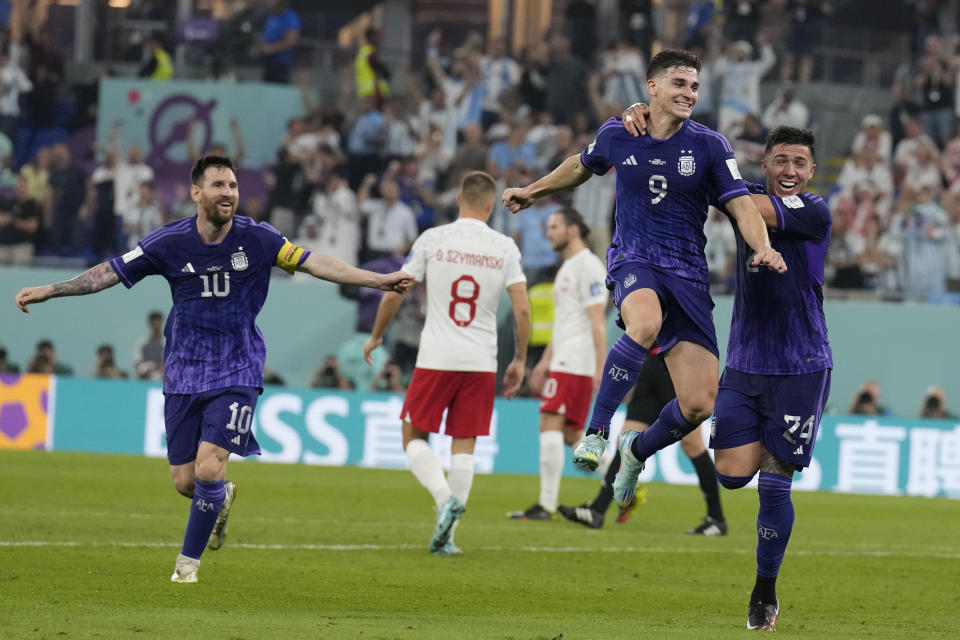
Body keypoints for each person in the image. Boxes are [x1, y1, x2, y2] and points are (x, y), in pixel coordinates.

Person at [14, 155, 412, 583]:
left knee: (208, 467)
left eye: (234, 186)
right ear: (196, 193)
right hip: (183, 371)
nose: (229, 193)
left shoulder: (259, 239)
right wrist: (51, 290)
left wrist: (377, 279)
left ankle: (187, 567)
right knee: (186, 481)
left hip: (238, 368)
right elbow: (108, 273)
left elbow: (316, 262)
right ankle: (220, 499)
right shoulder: (167, 242)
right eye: (219, 185)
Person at [502, 49, 785, 517]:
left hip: (688, 274)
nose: (689, 93)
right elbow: (580, 164)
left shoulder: (711, 146)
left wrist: (762, 247)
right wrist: (532, 192)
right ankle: (597, 431)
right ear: (651, 88)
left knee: (698, 404)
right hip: (635, 259)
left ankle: (635, 452)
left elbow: (740, 206)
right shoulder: (618, 132)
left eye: (694, 86)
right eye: (678, 83)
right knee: (645, 322)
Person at [624, 108, 832, 630]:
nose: (789, 168)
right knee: (732, 474)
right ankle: (636, 450)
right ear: (764, 163)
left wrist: (706, 175)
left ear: (811, 171)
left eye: (799, 162)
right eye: (780, 159)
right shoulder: (746, 202)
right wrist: (657, 135)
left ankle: (764, 591)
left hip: (802, 364)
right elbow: (734, 203)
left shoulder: (813, 210)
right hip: (744, 360)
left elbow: (743, 203)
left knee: (774, 481)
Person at [364, 170, 530, 555]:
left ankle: (443, 500)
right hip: (481, 361)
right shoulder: (505, 247)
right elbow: (521, 308)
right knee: (464, 446)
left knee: (412, 436)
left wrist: (376, 335)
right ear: (491, 205)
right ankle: (449, 539)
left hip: (436, 356)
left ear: (459, 200)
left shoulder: (433, 239)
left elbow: (395, 292)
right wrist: (519, 358)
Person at [559, 351, 726, 535]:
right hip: (650, 369)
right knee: (625, 440)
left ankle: (716, 518)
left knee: (692, 445)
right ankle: (597, 510)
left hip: (676, 367)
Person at [509, 207, 607, 520]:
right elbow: (564, 323)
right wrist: (545, 361)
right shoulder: (567, 267)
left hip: (576, 361)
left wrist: (600, 367)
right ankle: (624, 479)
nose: (548, 232)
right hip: (564, 358)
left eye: (554, 226)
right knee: (569, 435)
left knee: (548, 423)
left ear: (573, 229)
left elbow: (597, 322)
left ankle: (546, 505)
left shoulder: (589, 266)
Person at [260, 0, 300, 84]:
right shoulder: (271, 17)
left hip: (281, 64)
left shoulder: (290, 17)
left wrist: (271, 48)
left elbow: (291, 41)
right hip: (268, 63)